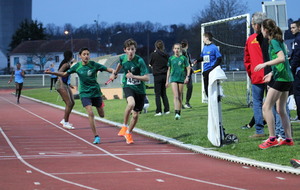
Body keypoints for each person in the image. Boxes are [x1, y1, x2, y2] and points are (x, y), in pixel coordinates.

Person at [45, 47, 115, 144]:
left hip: (95, 92)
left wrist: (113, 73)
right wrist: (52, 72)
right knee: (90, 113)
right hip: (84, 93)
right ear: (80, 56)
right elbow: (64, 74)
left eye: (88, 54)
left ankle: (100, 104)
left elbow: (109, 69)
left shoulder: (94, 65)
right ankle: (96, 136)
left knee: (102, 115)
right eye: (84, 54)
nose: (86, 56)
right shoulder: (77, 66)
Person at [254, 19, 294, 149]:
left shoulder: (274, 42)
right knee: (280, 109)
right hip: (285, 77)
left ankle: (272, 138)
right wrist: (271, 73)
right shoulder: (278, 41)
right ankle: (288, 139)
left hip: (282, 79)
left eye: (261, 29)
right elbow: (285, 61)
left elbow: (282, 58)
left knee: (266, 106)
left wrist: (265, 64)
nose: (261, 32)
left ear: (265, 29)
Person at [114, 39, 149, 144]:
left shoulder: (140, 61)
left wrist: (133, 76)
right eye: (128, 49)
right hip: (128, 86)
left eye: (132, 49)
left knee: (135, 115)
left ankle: (128, 133)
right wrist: (115, 73)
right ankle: (124, 126)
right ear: (125, 50)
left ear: (135, 50)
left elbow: (147, 78)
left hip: (140, 90)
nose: (130, 52)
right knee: (131, 103)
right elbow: (120, 64)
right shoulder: (122, 58)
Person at [166, 43, 190, 120]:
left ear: (180, 50)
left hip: (181, 78)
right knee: (176, 96)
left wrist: (187, 77)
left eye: (178, 49)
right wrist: (167, 80)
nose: (176, 50)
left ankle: (179, 112)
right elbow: (169, 70)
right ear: (173, 49)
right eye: (175, 48)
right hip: (173, 79)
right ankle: (176, 113)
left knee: (179, 96)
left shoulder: (183, 58)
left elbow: (188, 68)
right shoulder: (171, 59)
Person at [194, 32, 222, 97]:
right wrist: (197, 60)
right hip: (205, 71)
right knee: (207, 90)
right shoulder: (205, 48)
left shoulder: (214, 47)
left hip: (212, 71)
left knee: (213, 88)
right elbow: (203, 58)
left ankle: (216, 101)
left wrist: (213, 67)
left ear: (206, 38)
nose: (203, 39)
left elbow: (219, 58)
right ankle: (211, 104)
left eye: (203, 37)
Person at [149, 40, 170, 116]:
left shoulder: (153, 55)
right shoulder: (166, 55)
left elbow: (150, 64)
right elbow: (169, 66)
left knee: (157, 94)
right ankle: (167, 109)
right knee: (164, 93)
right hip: (165, 75)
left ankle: (159, 111)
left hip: (157, 76)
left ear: (156, 46)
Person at [55, 50, 75, 130]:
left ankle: (64, 120)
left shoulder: (68, 64)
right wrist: (62, 84)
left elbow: (67, 75)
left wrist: (69, 84)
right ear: (70, 56)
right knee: (69, 103)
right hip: (61, 84)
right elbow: (59, 73)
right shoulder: (66, 64)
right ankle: (66, 122)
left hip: (66, 84)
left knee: (72, 102)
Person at [290, 21, 300, 121]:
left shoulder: (297, 39)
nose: (291, 29)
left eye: (293, 27)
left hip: (298, 71)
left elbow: (297, 56)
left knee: (297, 93)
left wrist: (291, 68)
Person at [181, 39, 193, 109]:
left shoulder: (187, 53)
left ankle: (187, 102)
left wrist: (191, 68)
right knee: (181, 88)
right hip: (182, 73)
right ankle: (180, 103)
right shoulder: (180, 53)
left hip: (188, 73)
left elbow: (188, 62)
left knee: (190, 87)